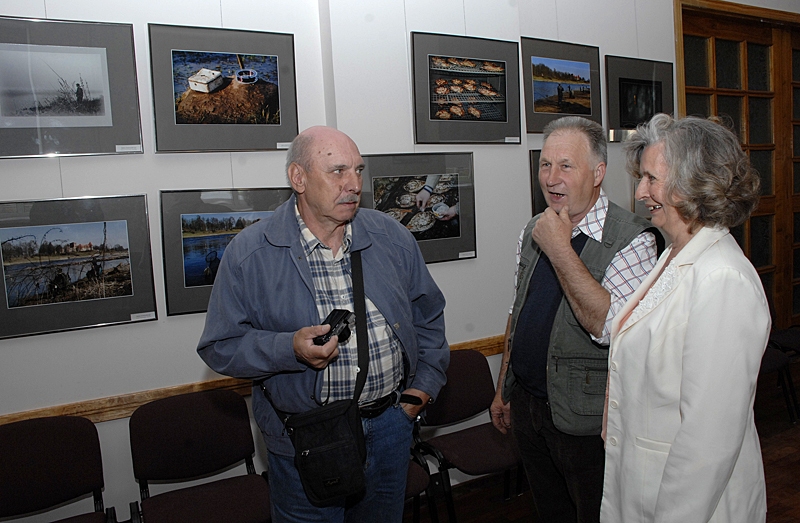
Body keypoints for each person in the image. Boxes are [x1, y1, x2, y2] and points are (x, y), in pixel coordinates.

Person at [197, 126, 449, 522]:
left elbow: (429, 316)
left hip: (390, 427)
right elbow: (220, 346)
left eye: (359, 171)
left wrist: (419, 394)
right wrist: (288, 348)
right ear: (298, 178)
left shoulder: (391, 238)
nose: (353, 185)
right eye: (337, 172)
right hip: (307, 439)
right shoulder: (251, 253)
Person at [490, 116, 660, 523]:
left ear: (598, 172)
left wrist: (560, 248)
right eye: (545, 165)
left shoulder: (635, 239)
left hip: (587, 418)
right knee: (550, 511)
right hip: (529, 408)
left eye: (566, 166)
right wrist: (503, 386)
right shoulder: (535, 227)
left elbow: (608, 327)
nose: (551, 178)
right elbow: (519, 310)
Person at [600, 114, 769, 523]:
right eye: (641, 178)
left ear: (695, 183)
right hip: (643, 488)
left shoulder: (722, 279)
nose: (640, 192)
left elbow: (708, 441)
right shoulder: (672, 255)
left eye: (652, 179)